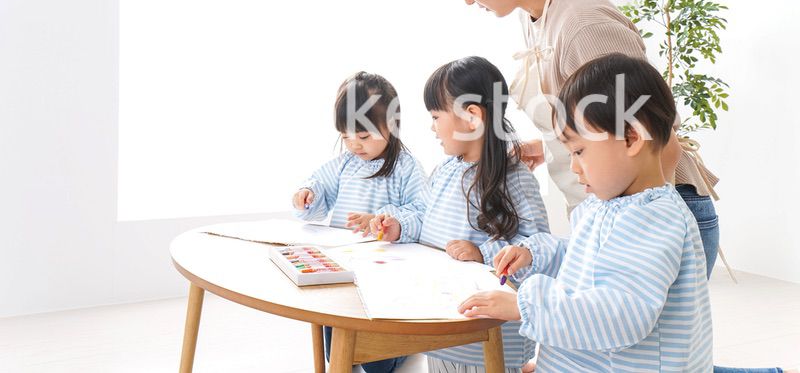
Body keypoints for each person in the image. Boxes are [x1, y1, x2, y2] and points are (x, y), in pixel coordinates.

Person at [434, 0, 793, 373]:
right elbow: (602, 125)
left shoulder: (582, 25)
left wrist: (530, 305)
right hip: (615, 204)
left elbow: (653, 134)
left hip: (654, 204)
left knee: (654, 357)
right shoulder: (538, 17)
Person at [459, 53, 713, 372]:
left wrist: (526, 307)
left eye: (579, 151)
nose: (574, 167)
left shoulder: (654, 219)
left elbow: (622, 316)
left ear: (631, 138)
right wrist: (533, 254)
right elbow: (583, 258)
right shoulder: (604, 204)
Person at [372, 56, 549, 373]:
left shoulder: (516, 178)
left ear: (472, 117)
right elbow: (422, 215)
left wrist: (482, 253)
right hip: (441, 327)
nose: (432, 127)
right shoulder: (445, 171)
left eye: (436, 116)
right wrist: (399, 226)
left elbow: (535, 250)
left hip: (487, 340)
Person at [292, 71, 428, 373]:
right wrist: (307, 194)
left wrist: (387, 220)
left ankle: (404, 348)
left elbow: (422, 212)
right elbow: (319, 185)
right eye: (345, 136)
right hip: (343, 268)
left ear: (391, 125)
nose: (354, 144)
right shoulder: (345, 165)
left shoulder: (406, 169)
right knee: (337, 353)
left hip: (386, 275)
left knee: (378, 364)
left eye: (364, 136)